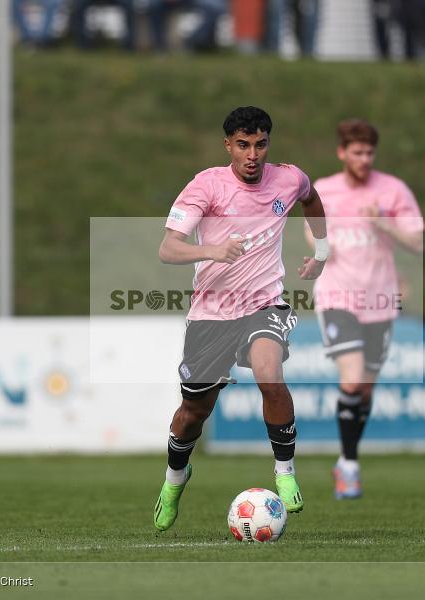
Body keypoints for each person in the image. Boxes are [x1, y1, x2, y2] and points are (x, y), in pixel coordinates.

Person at [153, 106, 328, 531]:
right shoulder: (206, 186)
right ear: (228, 145)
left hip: (264, 303)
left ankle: (284, 473)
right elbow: (168, 248)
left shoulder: (288, 177)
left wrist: (322, 252)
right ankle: (175, 480)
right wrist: (211, 250)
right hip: (211, 314)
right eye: (244, 145)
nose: (253, 154)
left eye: (261, 144)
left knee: (270, 372)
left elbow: (312, 198)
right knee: (193, 412)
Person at [308, 118, 424, 500]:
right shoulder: (324, 189)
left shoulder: (393, 190)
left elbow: (418, 242)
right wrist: (322, 246)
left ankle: (344, 461)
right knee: (353, 379)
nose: (364, 159)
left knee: (366, 391)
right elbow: (310, 225)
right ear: (342, 152)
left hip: (380, 299)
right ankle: (352, 466)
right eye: (356, 152)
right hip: (337, 295)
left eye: (369, 152)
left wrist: (384, 225)